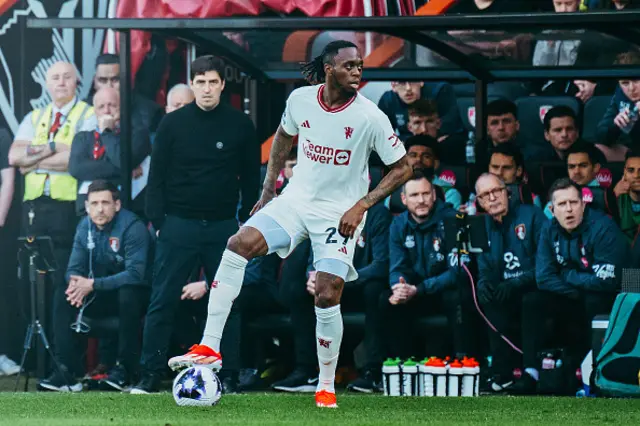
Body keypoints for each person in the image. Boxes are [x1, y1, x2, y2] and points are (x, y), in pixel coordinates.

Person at [165, 41, 411, 408]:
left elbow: (403, 167)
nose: (358, 72)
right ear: (329, 69)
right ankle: (210, 347)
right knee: (237, 244)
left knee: (327, 292)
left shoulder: (370, 116)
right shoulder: (300, 100)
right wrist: (268, 189)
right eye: (349, 66)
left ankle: (325, 385)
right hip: (296, 200)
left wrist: (362, 205)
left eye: (360, 65)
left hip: (339, 211)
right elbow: (283, 136)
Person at [130, 55, 261, 395]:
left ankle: (229, 373)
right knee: (162, 299)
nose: (206, 88)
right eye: (200, 82)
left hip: (222, 227)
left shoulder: (240, 125)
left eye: (212, 82)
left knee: (226, 302)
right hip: (178, 225)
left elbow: (250, 177)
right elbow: (155, 176)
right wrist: (159, 221)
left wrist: (246, 220)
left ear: (222, 85)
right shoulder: (172, 124)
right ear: (192, 84)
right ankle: (149, 373)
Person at [8, 62, 95, 352]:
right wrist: (56, 147)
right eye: (55, 77)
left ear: (77, 83)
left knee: (62, 282)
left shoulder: (88, 114)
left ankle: (63, 356)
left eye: (67, 77)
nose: (61, 82)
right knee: (32, 283)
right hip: (33, 210)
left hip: (66, 210)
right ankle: (36, 358)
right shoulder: (36, 116)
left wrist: (34, 158)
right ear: (46, 84)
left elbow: (76, 160)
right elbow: (14, 157)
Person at [515, 178, 629, 394]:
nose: (569, 210)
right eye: (562, 204)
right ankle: (531, 371)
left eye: (573, 203)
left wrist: (569, 275)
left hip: (607, 299)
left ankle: (596, 374)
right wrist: (578, 286)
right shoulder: (549, 229)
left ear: (583, 205)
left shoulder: (603, 228)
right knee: (532, 301)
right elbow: (543, 278)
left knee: (594, 299)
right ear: (551, 209)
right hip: (574, 296)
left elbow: (607, 281)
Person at [38, 181, 151, 392]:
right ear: (87, 206)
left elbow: (136, 274)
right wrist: (76, 285)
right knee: (62, 295)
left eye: (105, 203)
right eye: (94, 203)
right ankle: (67, 372)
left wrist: (93, 284)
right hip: (99, 295)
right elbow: (73, 268)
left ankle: (125, 369)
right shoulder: (84, 226)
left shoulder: (133, 227)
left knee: (129, 294)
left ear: (117, 205)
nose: (100, 209)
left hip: (133, 297)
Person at [274, 202, 391, 394]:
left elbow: (381, 264)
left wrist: (343, 279)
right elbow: (316, 254)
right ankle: (307, 371)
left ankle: (372, 372)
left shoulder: (378, 214)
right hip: (331, 286)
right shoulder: (327, 211)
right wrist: (313, 276)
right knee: (299, 291)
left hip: (359, 287)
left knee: (375, 291)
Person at [382, 171, 478, 360]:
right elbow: (397, 266)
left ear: (434, 195)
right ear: (403, 199)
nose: (421, 200)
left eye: (426, 194)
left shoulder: (456, 220)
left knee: (460, 295)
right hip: (414, 292)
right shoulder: (397, 224)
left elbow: (459, 271)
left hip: (443, 291)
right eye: (414, 195)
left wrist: (420, 288)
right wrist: (399, 286)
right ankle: (400, 366)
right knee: (386, 299)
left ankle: (464, 363)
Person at [475, 173, 546, 392]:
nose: (493, 198)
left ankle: (531, 372)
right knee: (486, 298)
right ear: (479, 202)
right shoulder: (480, 225)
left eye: (496, 191)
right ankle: (501, 372)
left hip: (534, 288)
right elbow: (483, 265)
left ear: (507, 192)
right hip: (504, 290)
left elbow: (546, 264)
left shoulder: (533, 215)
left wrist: (517, 282)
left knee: (531, 300)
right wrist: (483, 282)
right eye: (486, 195)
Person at [69, 87, 151, 216]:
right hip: (89, 212)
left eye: (112, 105)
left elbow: (121, 160)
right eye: (101, 107)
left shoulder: (137, 134)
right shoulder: (83, 137)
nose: (106, 111)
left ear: (122, 107)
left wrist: (107, 132)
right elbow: (76, 169)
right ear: (95, 111)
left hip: (127, 210)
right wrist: (126, 170)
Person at [542, 141, 618, 222]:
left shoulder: (611, 192)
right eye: (571, 167)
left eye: (583, 166)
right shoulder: (557, 196)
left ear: (596, 167)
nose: (576, 171)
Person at [385, 135, 462, 212]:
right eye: (413, 155)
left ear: (436, 163)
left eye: (426, 156)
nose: (418, 160)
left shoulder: (448, 193)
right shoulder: (393, 191)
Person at [487, 143, 541, 209]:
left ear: (519, 171)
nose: (499, 173)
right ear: (489, 168)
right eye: (495, 167)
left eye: (506, 168)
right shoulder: (478, 198)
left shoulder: (531, 198)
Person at [614, 150, 640, 244]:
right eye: (631, 170)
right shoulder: (613, 198)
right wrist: (612, 198)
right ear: (624, 172)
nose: (636, 176)